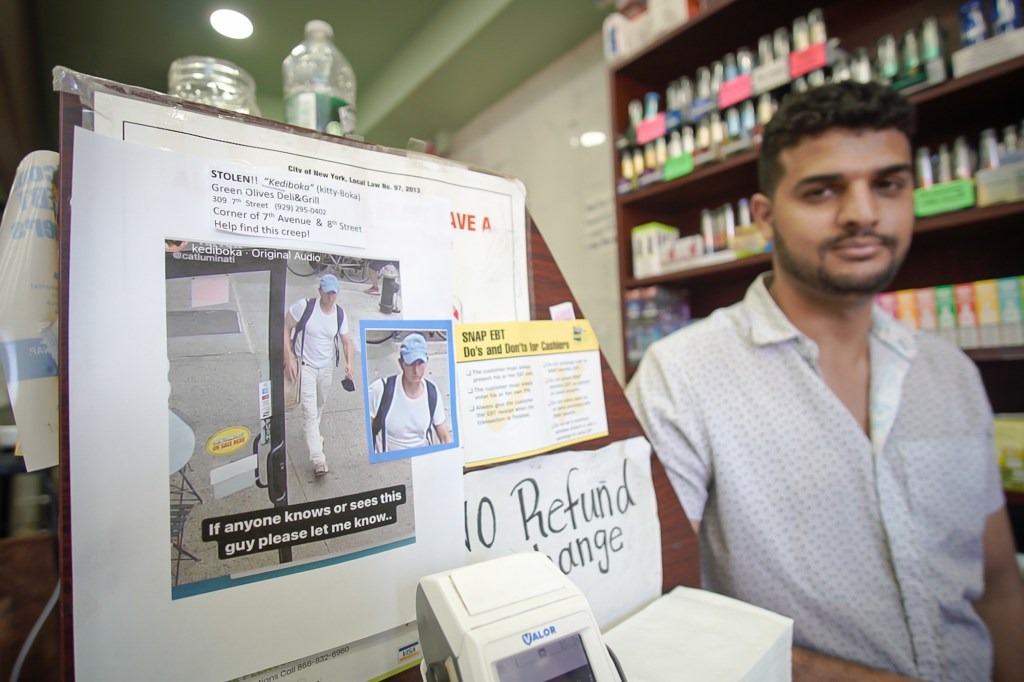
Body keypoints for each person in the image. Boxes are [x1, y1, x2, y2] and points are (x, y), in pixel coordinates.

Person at [626, 81, 1024, 681]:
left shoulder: (952, 375)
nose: (863, 212)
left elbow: (998, 588)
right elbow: (650, 609)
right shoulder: (683, 375)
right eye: (822, 190)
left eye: (887, 184)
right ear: (765, 216)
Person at [284, 273, 353, 476]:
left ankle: (314, 434)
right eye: (328, 292)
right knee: (309, 412)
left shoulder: (340, 314)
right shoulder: (304, 307)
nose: (331, 297)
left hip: (326, 367)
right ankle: (318, 459)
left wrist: (349, 364)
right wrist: (288, 358)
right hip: (305, 366)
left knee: (320, 404)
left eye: (334, 293)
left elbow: (346, 341)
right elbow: (285, 326)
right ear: (320, 291)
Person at [368, 332, 452, 452]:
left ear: (427, 361)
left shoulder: (432, 393)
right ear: (401, 363)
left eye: (420, 363)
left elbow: (444, 437)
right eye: (411, 363)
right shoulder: (380, 390)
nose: (416, 370)